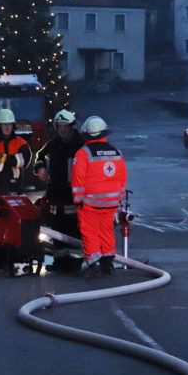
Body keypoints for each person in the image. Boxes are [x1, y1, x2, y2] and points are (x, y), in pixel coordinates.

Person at [70, 116, 127, 275]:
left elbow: (78, 179)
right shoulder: (116, 152)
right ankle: (108, 262)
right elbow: (122, 177)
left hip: (90, 202)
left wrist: (78, 200)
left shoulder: (83, 153)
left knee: (90, 230)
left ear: (86, 134)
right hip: (111, 202)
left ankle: (92, 260)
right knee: (107, 230)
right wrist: (119, 200)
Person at [34, 109, 84, 271]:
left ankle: (75, 262)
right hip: (55, 194)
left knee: (73, 229)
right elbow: (40, 156)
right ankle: (60, 262)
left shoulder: (80, 144)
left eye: (65, 126)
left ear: (72, 127)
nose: (63, 130)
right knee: (57, 229)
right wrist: (41, 168)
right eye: (59, 126)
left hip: (73, 195)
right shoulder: (53, 144)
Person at [0, 108, 31, 195]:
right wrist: (14, 160)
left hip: (15, 188)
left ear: (13, 125)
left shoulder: (21, 143)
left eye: (10, 124)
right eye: (4, 124)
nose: (7, 127)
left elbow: (25, 162)